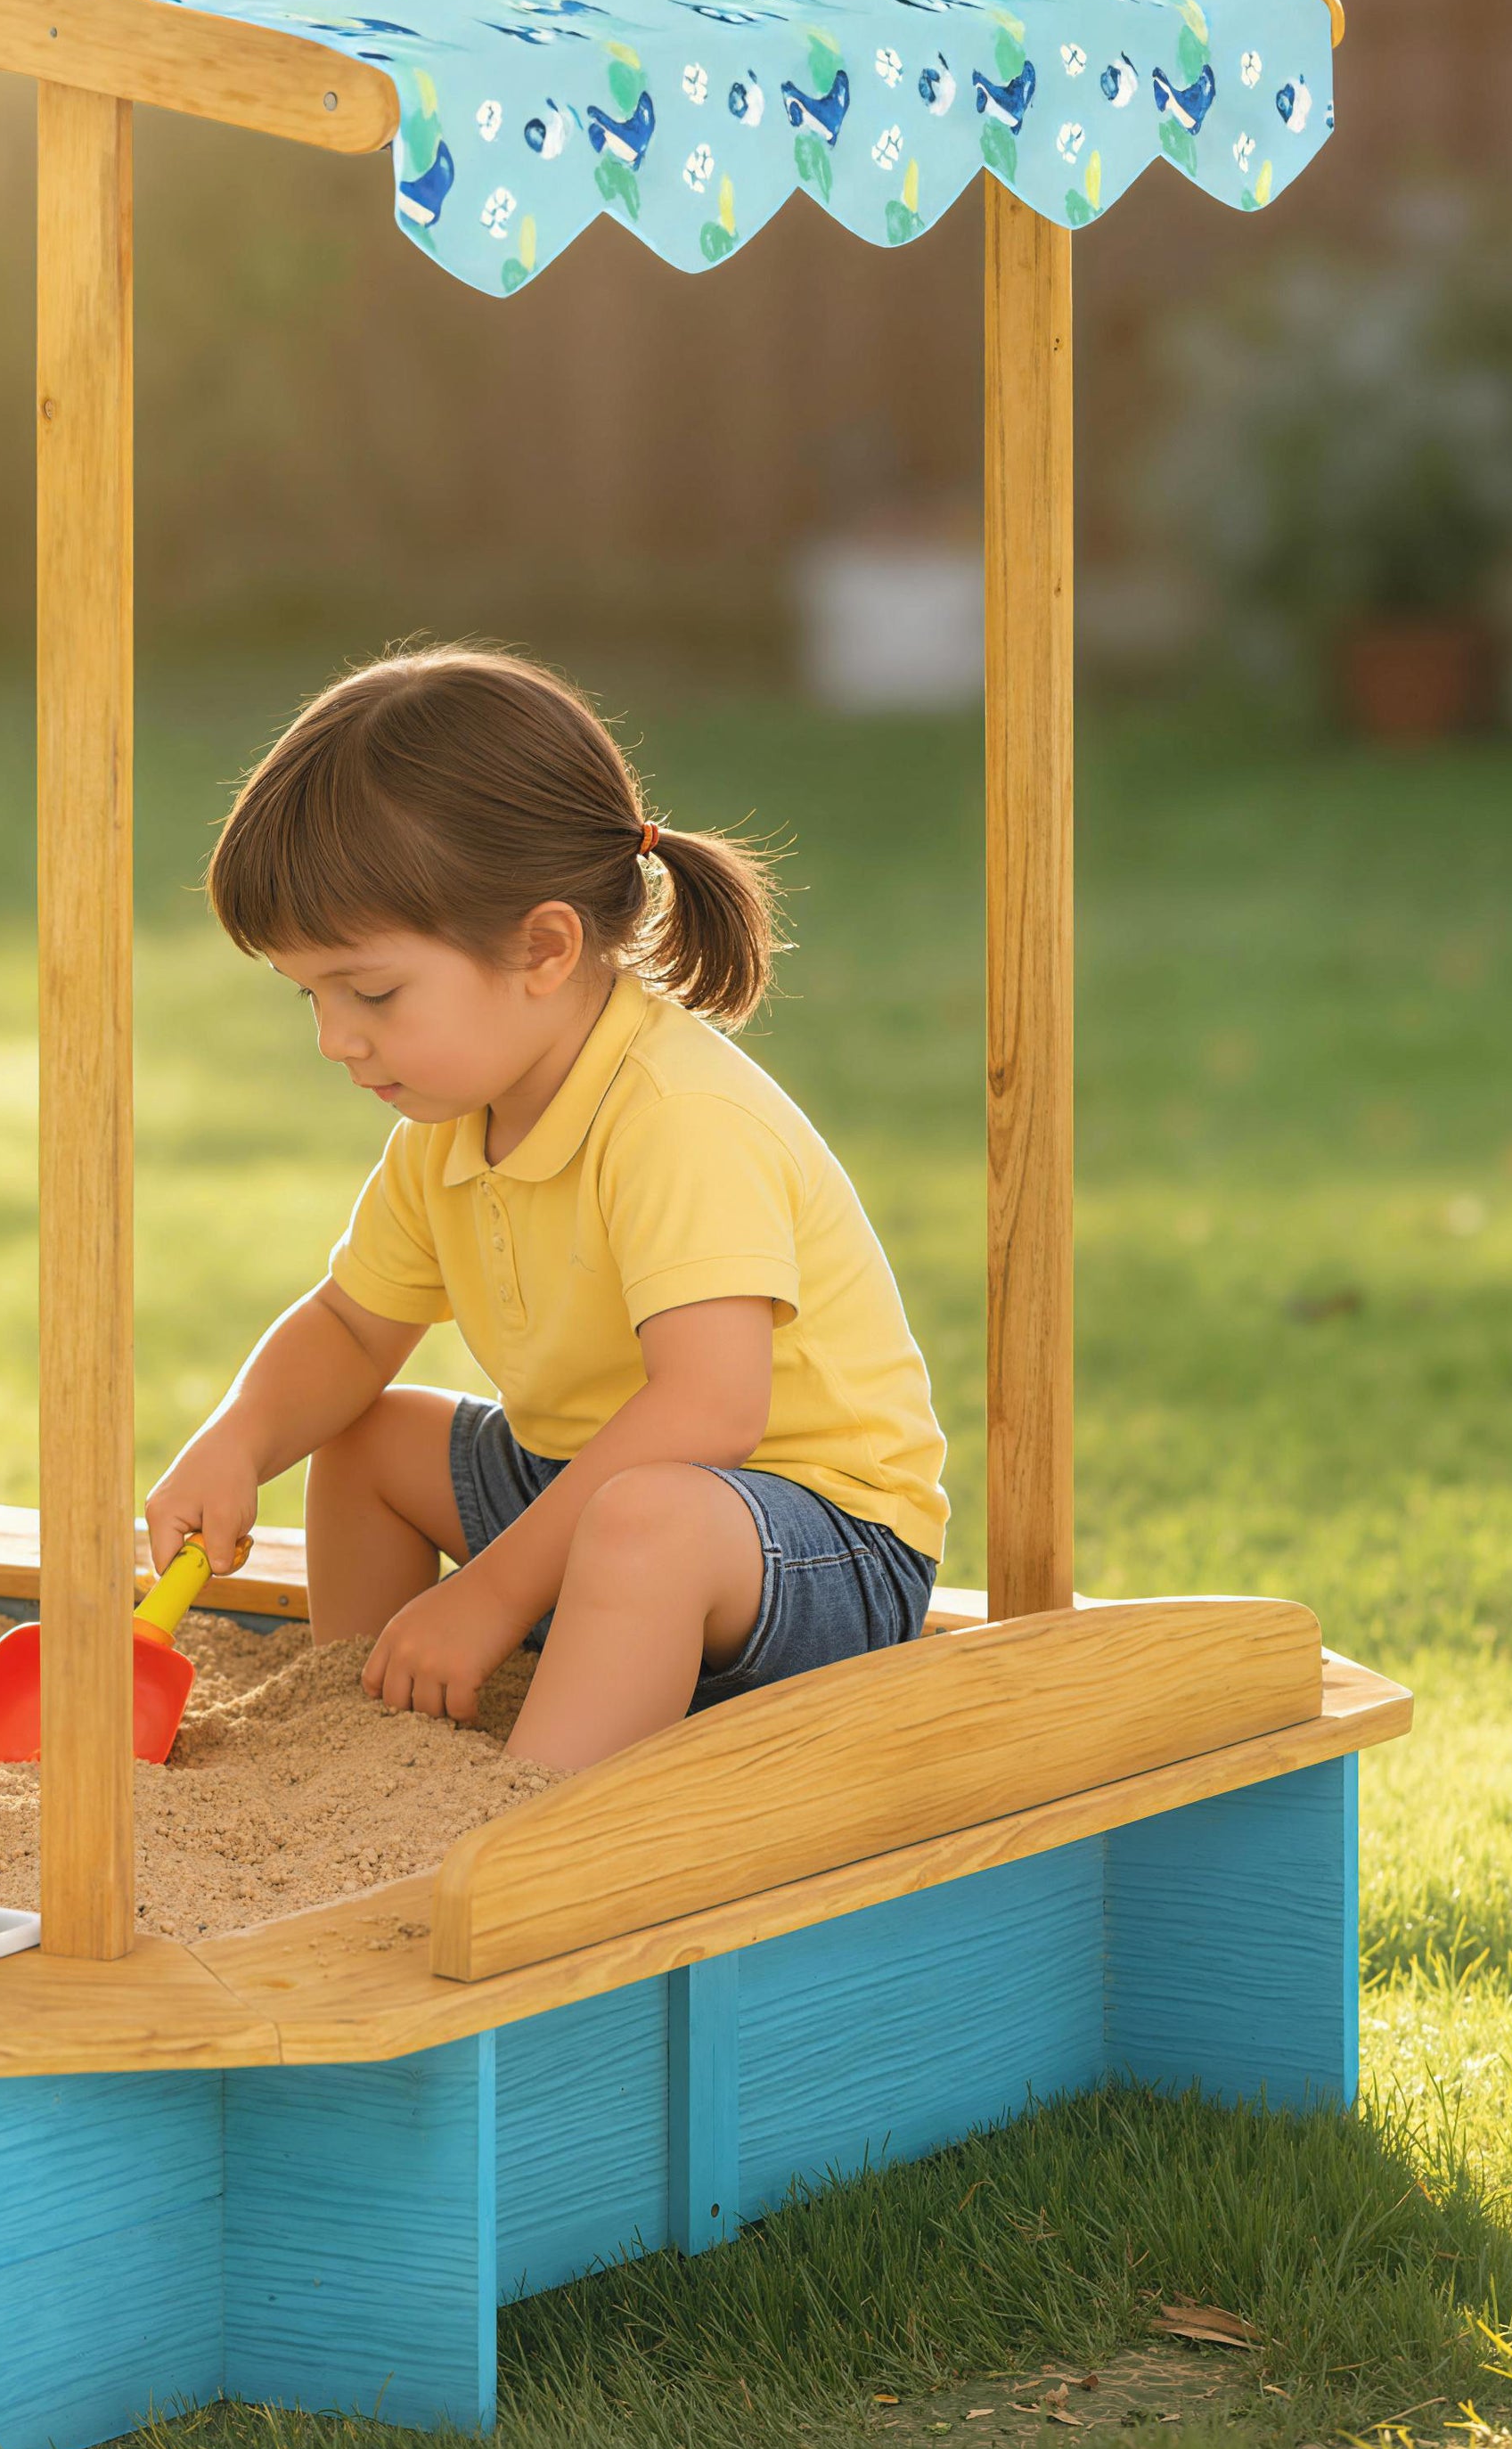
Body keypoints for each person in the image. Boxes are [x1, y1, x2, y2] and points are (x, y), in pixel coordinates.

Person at [144, 646, 946, 1774]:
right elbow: (351, 1327)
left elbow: (712, 1412)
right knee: (370, 1434)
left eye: (370, 992)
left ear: (544, 946)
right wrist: (238, 1441)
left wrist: (489, 1595)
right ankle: (373, 1741)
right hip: (596, 1495)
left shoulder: (676, 1115)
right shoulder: (447, 1130)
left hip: (817, 1547)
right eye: (309, 997)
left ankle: (530, 1820)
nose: (335, 1037)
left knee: (647, 1525)